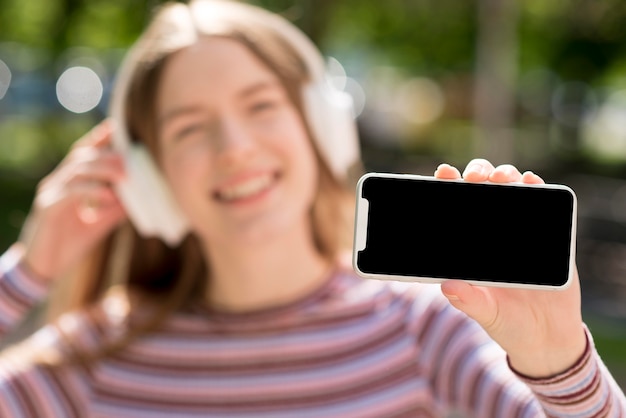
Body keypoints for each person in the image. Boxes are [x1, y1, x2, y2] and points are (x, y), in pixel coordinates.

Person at [0, 0, 624, 416]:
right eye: (189, 128)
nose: (235, 149)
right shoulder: (91, 360)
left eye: (261, 105)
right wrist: (26, 272)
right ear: (150, 181)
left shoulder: (426, 329)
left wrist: (558, 362)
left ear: (322, 128)